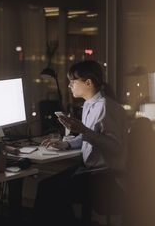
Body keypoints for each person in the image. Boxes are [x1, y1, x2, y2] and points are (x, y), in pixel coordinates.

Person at [32, 60, 127, 225]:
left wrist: (82, 130)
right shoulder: (89, 104)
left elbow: (115, 147)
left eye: (73, 81)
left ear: (88, 82)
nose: (69, 86)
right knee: (46, 187)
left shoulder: (106, 107)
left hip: (104, 177)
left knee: (49, 191)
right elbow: (91, 136)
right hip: (90, 171)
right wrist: (68, 144)